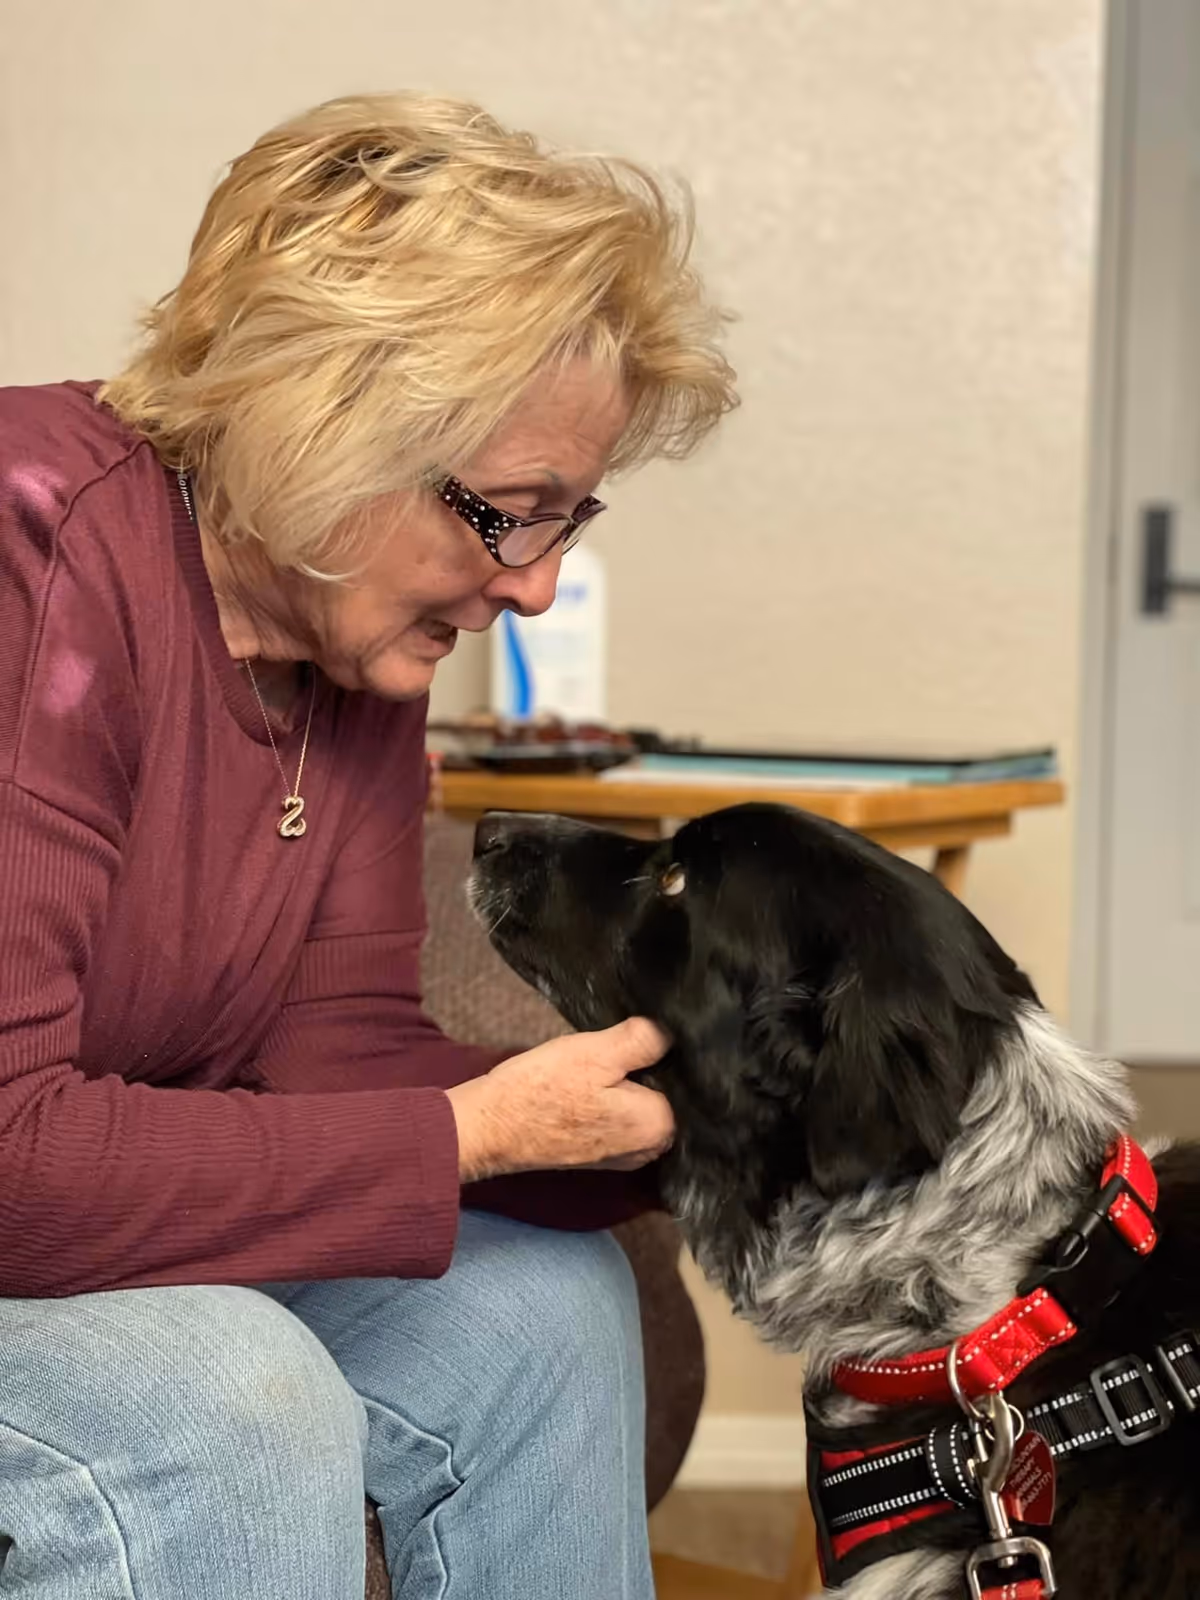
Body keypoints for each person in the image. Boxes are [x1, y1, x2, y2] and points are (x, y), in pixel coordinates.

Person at [0, 92, 735, 1599]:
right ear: (329, 415)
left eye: (561, 521)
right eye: (507, 514)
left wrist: (711, 1120)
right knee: (227, 1397)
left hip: (92, 1230)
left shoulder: (345, 643)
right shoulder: (37, 548)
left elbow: (337, 1061)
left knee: (543, 1308)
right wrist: (477, 1133)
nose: (529, 590)